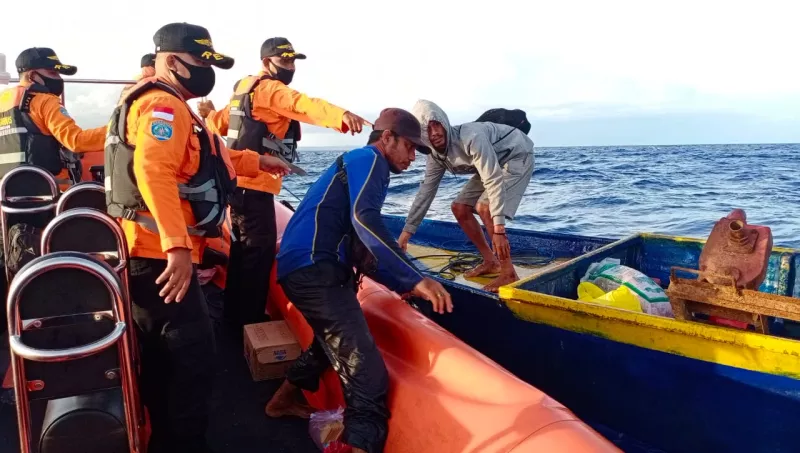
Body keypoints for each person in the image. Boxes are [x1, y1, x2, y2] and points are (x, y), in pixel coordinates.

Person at [103, 22, 291, 453]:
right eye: (200, 62)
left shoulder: (178, 109)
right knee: (191, 363)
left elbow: (211, 158)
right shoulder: (162, 108)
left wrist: (258, 160)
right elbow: (154, 171)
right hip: (159, 259)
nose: (207, 71)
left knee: (171, 359)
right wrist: (178, 247)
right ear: (170, 61)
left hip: (158, 255)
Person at [264, 108, 453, 453]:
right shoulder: (369, 159)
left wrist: (404, 283)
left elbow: (360, 246)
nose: (413, 157)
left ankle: (282, 400)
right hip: (314, 269)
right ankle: (357, 444)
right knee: (367, 373)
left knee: (329, 342)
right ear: (387, 138)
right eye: (410, 147)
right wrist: (415, 276)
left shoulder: (358, 164)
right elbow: (365, 221)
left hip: (310, 267)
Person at [196, 37, 370, 333]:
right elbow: (302, 105)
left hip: (237, 183)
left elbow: (222, 123)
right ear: (267, 62)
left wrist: (209, 114)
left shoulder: (244, 91)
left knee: (242, 252)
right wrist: (340, 116)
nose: (290, 67)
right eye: (285, 61)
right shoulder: (271, 90)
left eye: (292, 62)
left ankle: (233, 316)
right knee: (257, 254)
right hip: (256, 187)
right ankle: (246, 323)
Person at [398, 99, 535, 292]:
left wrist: (499, 231)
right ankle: (491, 261)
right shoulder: (435, 156)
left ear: (445, 122)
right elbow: (425, 193)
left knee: (485, 207)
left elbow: (493, 178)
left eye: (438, 124)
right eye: (427, 128)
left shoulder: (471, 137)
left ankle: (508, 272)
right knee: (459, 207)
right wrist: (405, 235)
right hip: (494, 161)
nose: (435, 132)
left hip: (517, 155)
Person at [0, 47, 105, 188]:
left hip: (7, 194)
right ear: (32, 76)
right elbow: (76, 141)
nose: (59, 79)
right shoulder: (45, 100)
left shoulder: (3, 100)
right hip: (49, 192)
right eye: (53, 73)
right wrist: (117, 129)